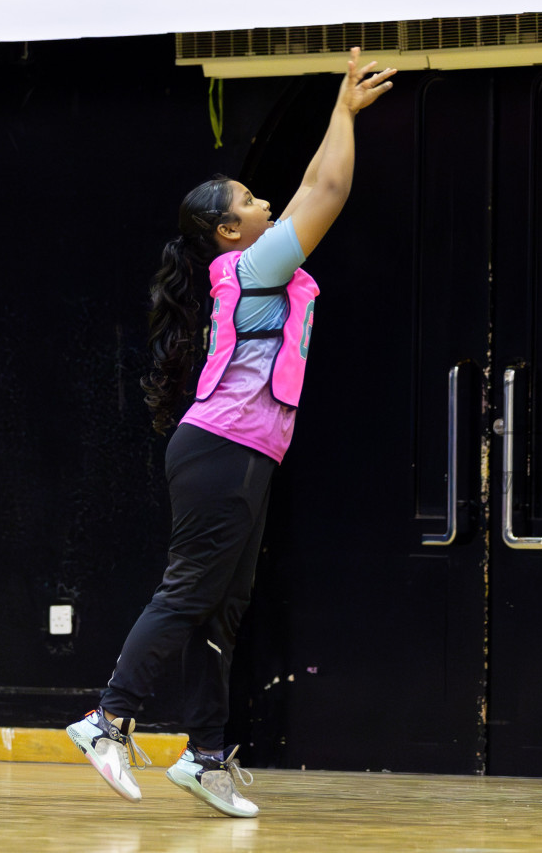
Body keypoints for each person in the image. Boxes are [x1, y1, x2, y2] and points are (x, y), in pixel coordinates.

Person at [65, 49, 395, 817]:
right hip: (224, 449)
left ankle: (206, 756)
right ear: (226, 231)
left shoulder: (248, 271)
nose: (264, 200)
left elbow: (313, 191)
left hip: (241, 451)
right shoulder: (249, 268)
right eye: (248, 198)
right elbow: (328, 187)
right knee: (189, 592)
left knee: (224, 606)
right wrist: (342, 113)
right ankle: (107, 720)